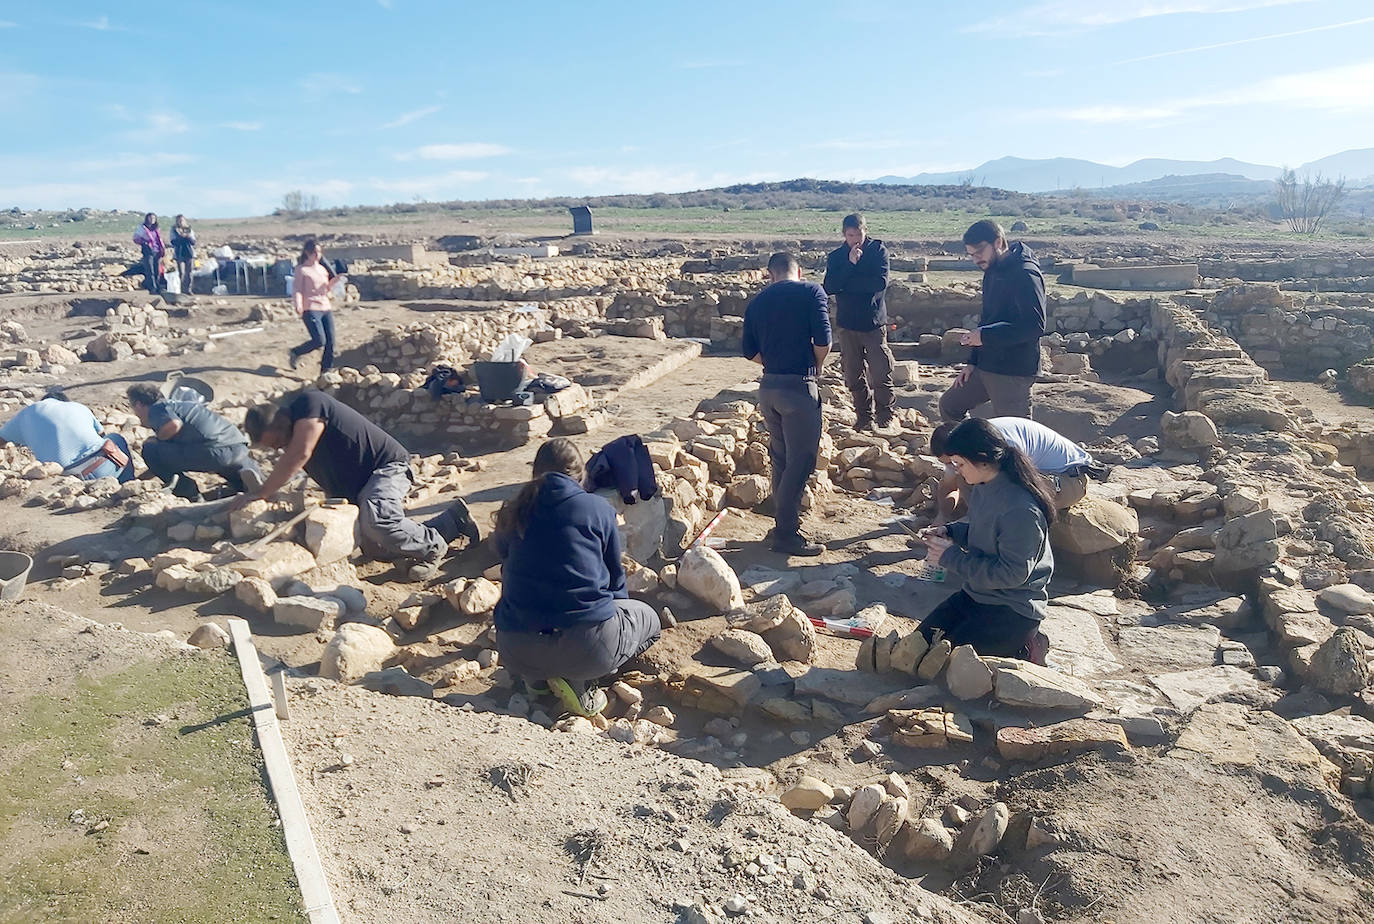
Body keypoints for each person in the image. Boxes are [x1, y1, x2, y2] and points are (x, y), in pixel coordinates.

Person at [492, 438, 665, 718]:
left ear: (535, 472)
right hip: (586, 649)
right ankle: (583, 684)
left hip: (516, 648)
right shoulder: (597, 509)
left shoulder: (512, 511)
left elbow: (504, 559)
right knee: (651, 620)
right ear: (580, 473)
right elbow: (615, 582)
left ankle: (537, 684)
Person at [238, 390, 478, 581]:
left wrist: (261, 493)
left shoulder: (309, 404)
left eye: (279, 442)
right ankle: (451, 521)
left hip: (385, 468)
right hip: (357, 489)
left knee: (379, 521)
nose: (281, 449)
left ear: (281, 420)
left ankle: (433, 546)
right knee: (377, 548)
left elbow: (300, 452)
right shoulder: (294, 435)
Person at [916, 418, 1054, 663]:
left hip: (1012, 609)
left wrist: (949, 557)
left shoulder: (1021, 510)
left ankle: (1028, 645)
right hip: (976, 595)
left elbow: (1012, 574)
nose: (956, 470)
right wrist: (950, 532)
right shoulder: (982, 486)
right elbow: (981, 531)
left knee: (946, 663)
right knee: (917, 647)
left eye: (959, 463)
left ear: (982, 459)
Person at [742, 252, 832, 557]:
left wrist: (774, 362)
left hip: (769, 389)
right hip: (798, 388)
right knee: (802, 461)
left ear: (770, 275)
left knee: (781, 458)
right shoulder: (811, 292)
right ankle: (786, 533)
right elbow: (823, 340)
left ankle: (781, 523)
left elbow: (748, 351)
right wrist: (816, 366)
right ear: (800, 271)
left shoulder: (757, 301)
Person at [939, 220, 1046, 422]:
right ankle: (965, 453)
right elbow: (988, 319)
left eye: (979, 252)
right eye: (971, 254)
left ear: (998, 242)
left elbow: (1033, 325)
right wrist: (972, 362)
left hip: (1012, 370)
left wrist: (984, 336)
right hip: (986, 364)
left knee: (1016, 436)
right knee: (950, 405)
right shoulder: (992, 270)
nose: (976, 259)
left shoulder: (1025, 273)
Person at [929, 417, 1100, 522]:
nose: (952, 467)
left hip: (1069, 480)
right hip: (1041, 474)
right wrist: (942, 516)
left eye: (953, 462)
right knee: (966, 478)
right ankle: (976, 523)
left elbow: (1011, 488)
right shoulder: (971, 445)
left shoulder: (998, 443)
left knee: (1011, 502)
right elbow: (949, 485)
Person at [127, 384, 263, 501]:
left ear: (138, 404)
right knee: (239, 475)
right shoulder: (184, 406)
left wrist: (157, 439)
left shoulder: (157, 408)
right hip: (238, 448)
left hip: (214, 453)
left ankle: (188, 493)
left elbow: (174, 425)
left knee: (150, 448)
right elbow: (166, 461)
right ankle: (245, 485)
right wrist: (140, 479)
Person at [823, 213, 894, 431]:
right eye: (850, 235)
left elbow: (879, 282)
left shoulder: (878, 251)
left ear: (865, 230)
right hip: (847, 324)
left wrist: (848, 284)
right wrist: (850, 266)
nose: (855, 239)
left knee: (881, 371)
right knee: (853, 373)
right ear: (844, 234)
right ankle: (863, 416)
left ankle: (885, 414)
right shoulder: (837, 257)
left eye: (859, 233)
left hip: (872, 323)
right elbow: (830, 286)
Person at [0, 390, 133, 482]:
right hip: (102, 467)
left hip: (65, 476)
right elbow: (101, 435)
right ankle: (128, 483)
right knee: (115, 438)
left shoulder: (27, 413)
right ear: (64, 402)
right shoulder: (78, 407)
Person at [289, 240, 341, 373]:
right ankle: (296, 352)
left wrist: (334, 282)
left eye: (319, 252)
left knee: (331, 341)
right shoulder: (302, 270)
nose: (317, 255)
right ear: (307, 252)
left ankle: (326, 369)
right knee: (319, 340)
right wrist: (298, 304)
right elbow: (298, 289)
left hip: (325, 306)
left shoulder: (322, 269)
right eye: (315, 252)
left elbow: (326, 288)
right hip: (310, 307)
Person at [133, 212, 165, 294]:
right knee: (150, 270)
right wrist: (145, 242)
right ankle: (152, 288)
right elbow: (136, 238)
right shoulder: (142, 228)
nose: (152, 220)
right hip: (148, 251)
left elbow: (159, 240)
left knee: (157, 270)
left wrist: (162, 248)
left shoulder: (156, 229)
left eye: (153, 218)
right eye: (150, 218)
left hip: (157, 251)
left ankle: (158, 287)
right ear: (147, 219)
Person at [170, 215, 196, 295]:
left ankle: (188, 289)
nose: (180, 222)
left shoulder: (189, 229)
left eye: (182, 220)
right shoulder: (174, 230)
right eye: (179, 220)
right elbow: (173, 242)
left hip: (189, 253)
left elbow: (193, 242)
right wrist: (181, 237)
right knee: (182, 272)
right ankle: (181, 289)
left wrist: (187, 237)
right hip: (179, 253)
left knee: (189, 272)